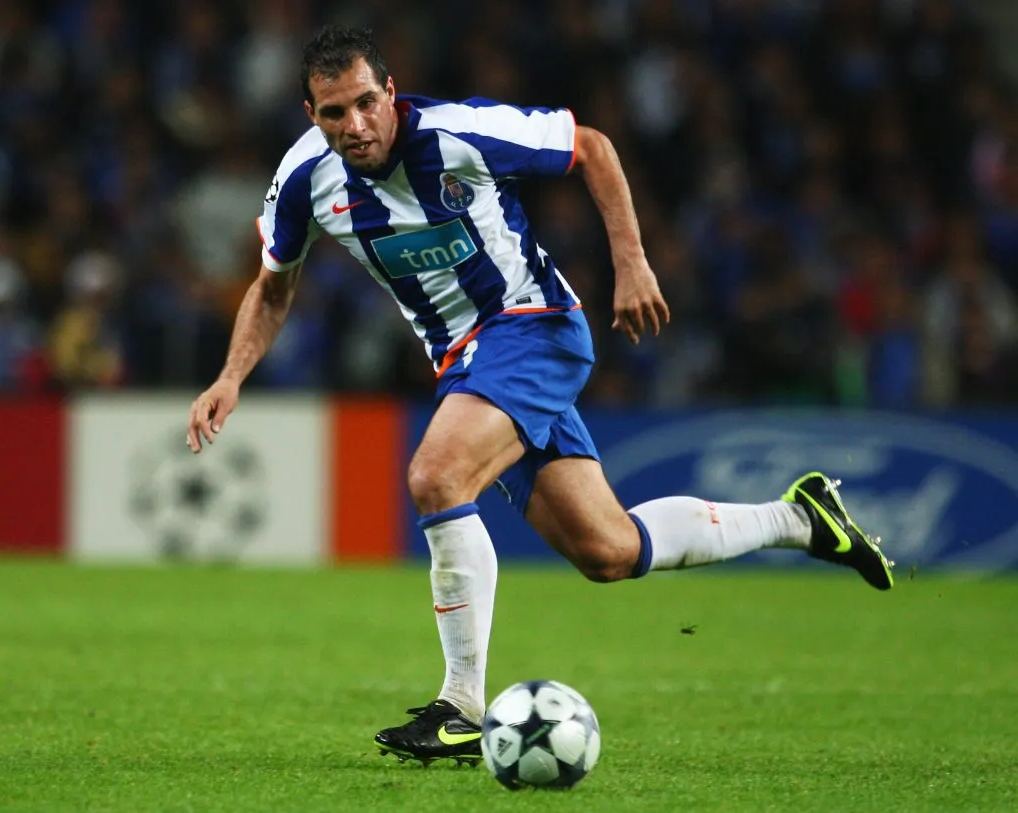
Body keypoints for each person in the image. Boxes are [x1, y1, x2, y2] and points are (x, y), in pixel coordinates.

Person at [186, 25, 894, 767]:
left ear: (390, 92)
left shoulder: (459, 134)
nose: (355, 125)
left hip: (533, 329)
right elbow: (273, 284)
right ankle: (803, 518)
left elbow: (591, 146)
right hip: (465, 365)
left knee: (436, 475)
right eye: (335, 113)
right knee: (609, 549)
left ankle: (460, 706)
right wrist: (231, 376)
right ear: (311, 114)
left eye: (367, 102)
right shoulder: (304, 180)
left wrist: (631, 261)